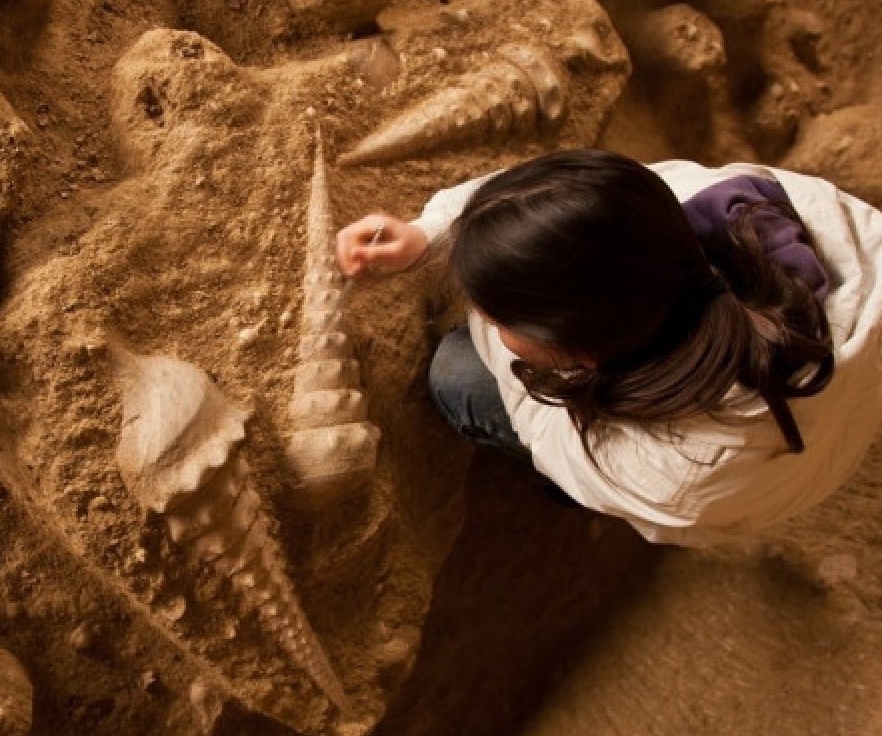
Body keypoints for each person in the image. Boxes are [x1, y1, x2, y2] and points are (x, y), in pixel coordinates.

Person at [336, 149, 882, 546]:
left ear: (580, 357)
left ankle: (567, 497)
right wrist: (432, 231)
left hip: (743, 493)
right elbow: (577, 197)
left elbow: (545, 427)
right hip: (838, 415)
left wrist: (489, 333)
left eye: (497, 314)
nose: (481, 315)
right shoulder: (728, 203)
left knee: (459, 375)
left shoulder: (670, 468)